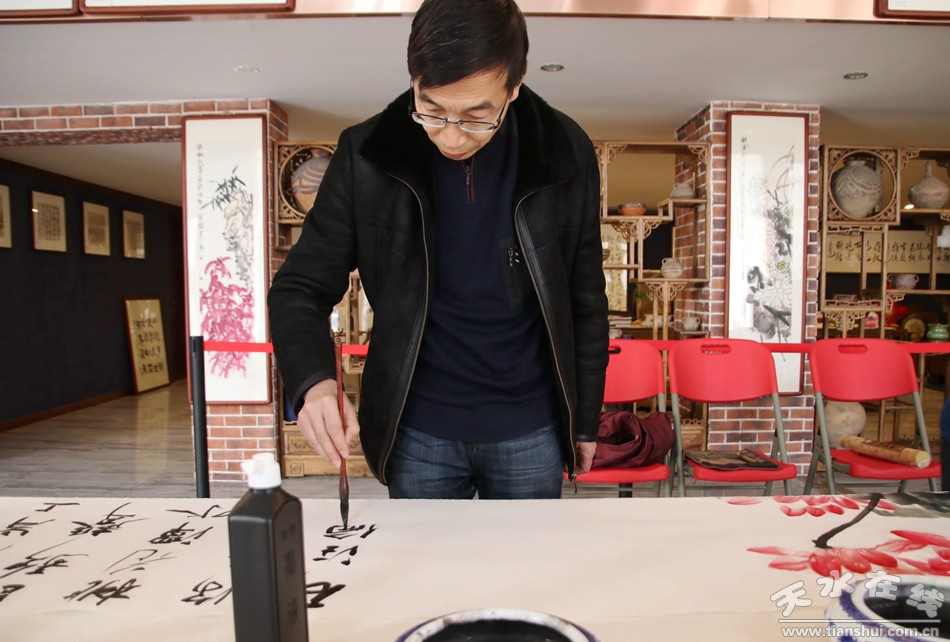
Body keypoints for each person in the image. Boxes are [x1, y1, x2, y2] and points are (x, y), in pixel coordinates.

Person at [267, 0, 608, 499]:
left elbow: (586, 299)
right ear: (414, 80)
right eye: (431, 110)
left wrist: (585, 419)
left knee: (527, 554)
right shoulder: (367, 155)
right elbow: (299, 287)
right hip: (417, 429)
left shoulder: (564, 150)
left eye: (476, 116)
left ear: (515, 85)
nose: (450, 136)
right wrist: (314, 381)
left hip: (530, 426)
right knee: (422, 553)